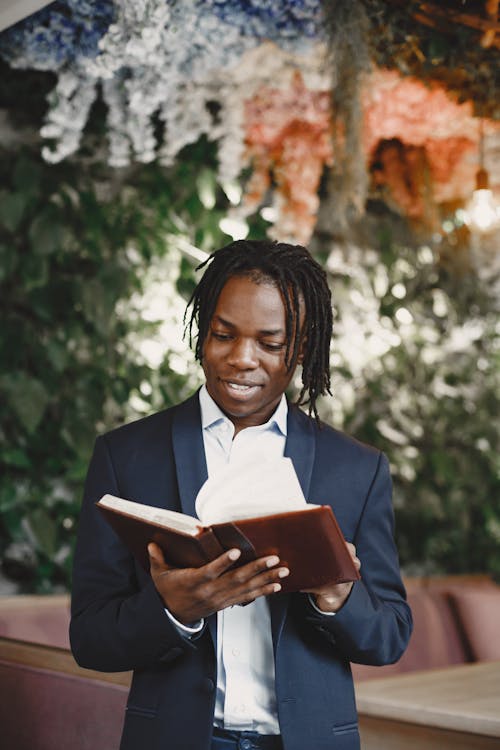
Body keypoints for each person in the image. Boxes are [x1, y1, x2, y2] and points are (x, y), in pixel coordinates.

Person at [70, 239, 412, 750]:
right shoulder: (126, 457)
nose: (241, 360)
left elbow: (390, 636)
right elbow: (90, 639)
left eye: (269, 344)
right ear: (203, 331)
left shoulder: (357, 469)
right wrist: (173, 610)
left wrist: (338, 596)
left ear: (300, 347)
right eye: (223, 335)